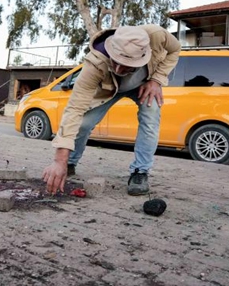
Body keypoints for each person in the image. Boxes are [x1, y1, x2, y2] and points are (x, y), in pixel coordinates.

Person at [42, 25, 181, 196]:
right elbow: (74, 109)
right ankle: (69, 163)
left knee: (150, 120)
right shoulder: (94, 64)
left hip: (145, 85)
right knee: (84, 123)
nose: (118, 70)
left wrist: (157, 80)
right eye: (116, 62)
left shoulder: (157, 35)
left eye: (126, 66)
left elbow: (175, 50)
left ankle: (140, 172)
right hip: (110, 90)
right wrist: (59, 160)